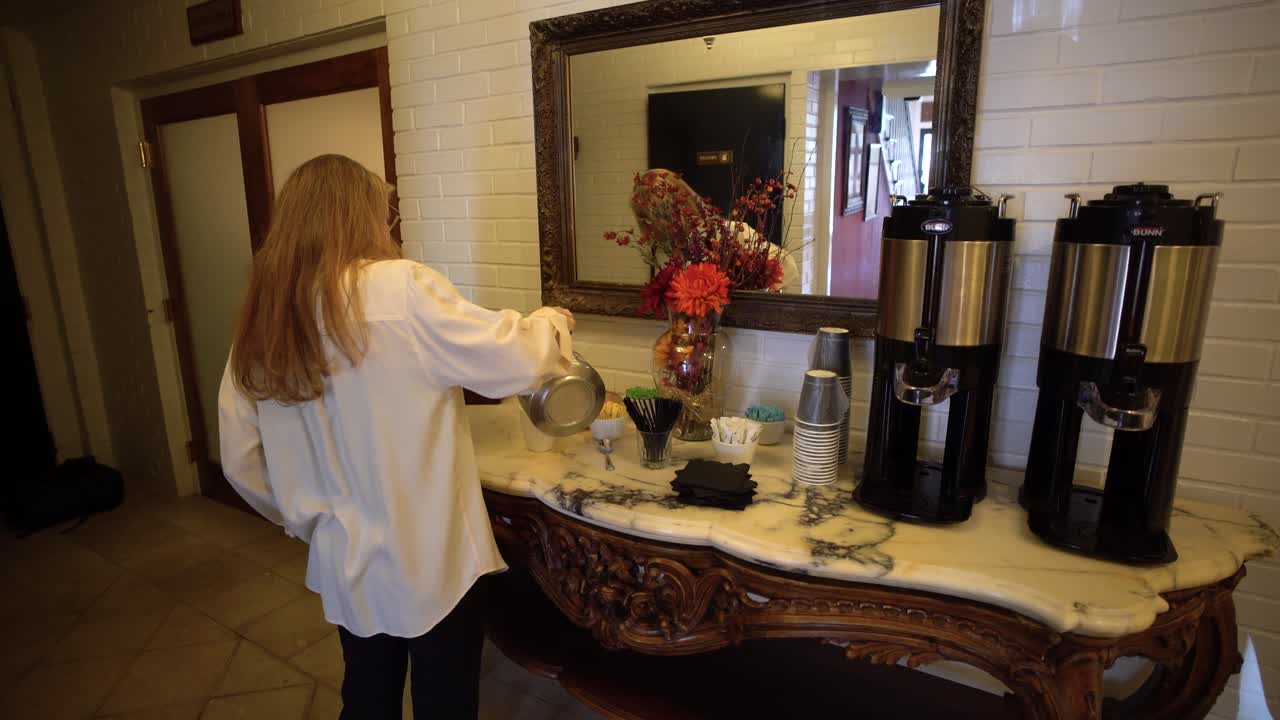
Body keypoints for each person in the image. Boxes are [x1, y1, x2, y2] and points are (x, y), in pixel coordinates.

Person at [218, 154, 573, 719]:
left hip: (343, 550)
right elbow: (513, 357)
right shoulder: (399, 288)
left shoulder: (267, 312)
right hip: (430, 554)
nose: (388, 227)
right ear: (358, 215)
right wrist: (550, 322)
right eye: (383, 213)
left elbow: (239, 458)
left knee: (366, 691)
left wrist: (304, 518)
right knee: (445, 698)